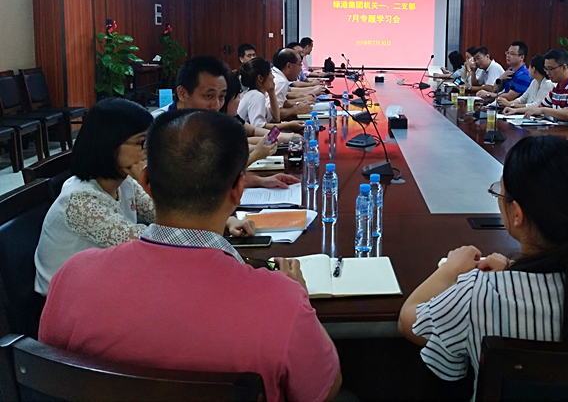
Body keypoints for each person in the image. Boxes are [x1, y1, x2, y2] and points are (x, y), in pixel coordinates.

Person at [39, 110, 342, 402]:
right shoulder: (282, 299)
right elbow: (323, 390)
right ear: (238, 191)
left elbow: (49, 376)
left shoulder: (71, 277)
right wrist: (299, 297)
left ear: (146, 182)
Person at [398, 135, 568, 396]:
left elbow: (408, 319)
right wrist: (512, 269)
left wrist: (450, 269)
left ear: (517, 214)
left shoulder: (478, 295)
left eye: (499, 193)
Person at [34, 98, 256, 296]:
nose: (147, 152)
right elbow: (153, 244)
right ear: (108, 144)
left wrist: (228, 222)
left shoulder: (124, 182)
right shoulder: (80, 201)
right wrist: (152, 179)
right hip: (66, 301)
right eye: (141, 143)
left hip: (104, 283)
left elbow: (172, 212)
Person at [221, 70, 301, 190]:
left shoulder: (231, 117)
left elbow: (252, 132)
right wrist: (257, 153)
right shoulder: (256, 96)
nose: (240, 100)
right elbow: (223, 174)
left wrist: (262, 181)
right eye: (237, 96)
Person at [522, 49, 568, 133]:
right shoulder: (557, 87)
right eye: (546, 69)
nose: (547, 73)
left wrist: (544, 110)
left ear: (564, 67)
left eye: (550, 69)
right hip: (561, 133)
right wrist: (514, 111)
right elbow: (539, 107)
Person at [152, 55, 229, 117]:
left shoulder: (218, 124)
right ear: (182, 94)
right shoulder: (156, 126)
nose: (216, 106)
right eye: (209, 96)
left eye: (221, 96)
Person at [272, 49, 315, 118]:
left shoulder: (277, 75)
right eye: (299, 65)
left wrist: (299, 103)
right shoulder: (280, 81)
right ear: (289, 66)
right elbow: (273, 113)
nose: (300, 69)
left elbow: (283, 103)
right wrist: (296, 110)